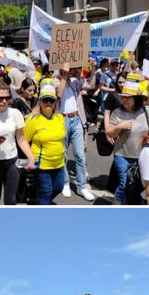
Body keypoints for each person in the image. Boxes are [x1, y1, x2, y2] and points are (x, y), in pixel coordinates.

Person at [56, 60, 97, 201]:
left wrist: (93, 68)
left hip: (76, 119)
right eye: (71, 68)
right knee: (63, 154)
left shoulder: (75, 81)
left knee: (80, 155)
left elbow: (91, 85)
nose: (74, 71)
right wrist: (64, 76)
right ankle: (65, 182)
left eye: (75, 68)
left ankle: (81, 186)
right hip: (62, 120)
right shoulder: (54, 81)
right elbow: (59, 94)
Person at [106, 74, 149, 205]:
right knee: (125, 183)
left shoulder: (144, 111)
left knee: (140, 185)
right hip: (122, 155)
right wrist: (119, 126)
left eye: (127, 98)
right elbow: (109, 132)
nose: (123, 100)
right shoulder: (117, 112)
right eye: (123, 98)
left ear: (136, 99)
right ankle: (118, 203)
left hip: (141, 156)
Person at [23, 79, 67, 205]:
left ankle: (40, 202)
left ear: (55, 102)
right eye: (45, 100)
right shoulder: (33, 119)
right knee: (46, 192)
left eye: (51, 100)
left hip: (59, 163)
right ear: (39, 101)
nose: (48, 103)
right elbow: (24, 140)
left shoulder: (59, 118)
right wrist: (30, 159)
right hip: (42, 164)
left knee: (58, 188)